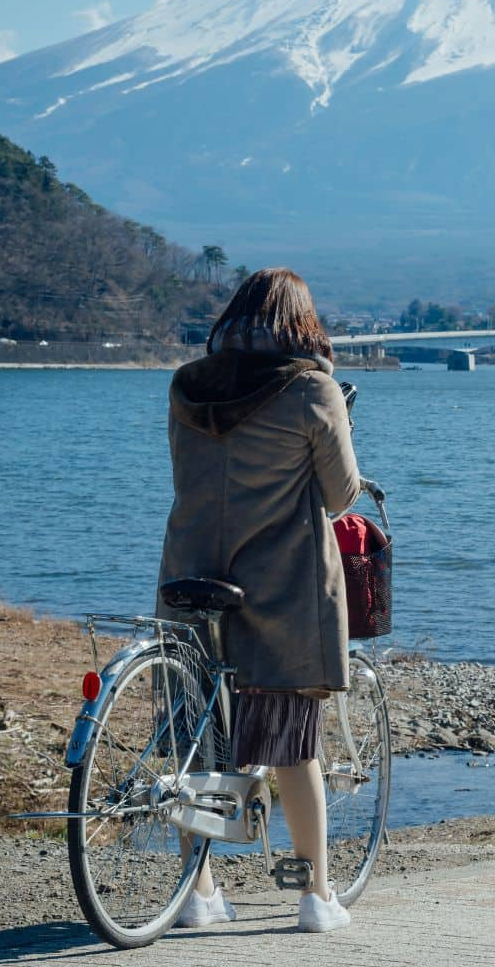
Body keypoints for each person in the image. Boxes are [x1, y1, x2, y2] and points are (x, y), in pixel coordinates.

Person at [156, 267, 363, 934]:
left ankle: (197, 892)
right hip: (278, 586)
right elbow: (340, 494)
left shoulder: (187, 384)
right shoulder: (311, 388)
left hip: (190, 573)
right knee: (289, 742)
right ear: (304, 325)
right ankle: (312, 895)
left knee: (199, 738)